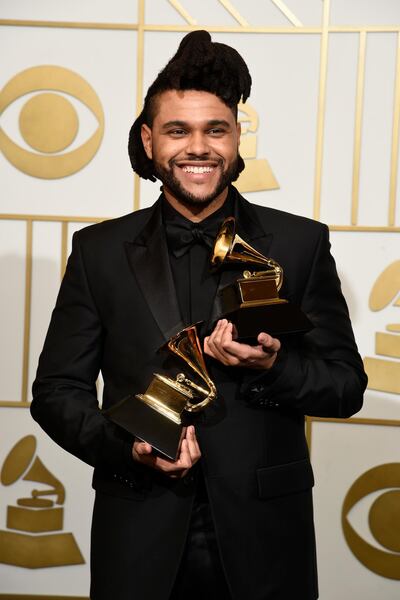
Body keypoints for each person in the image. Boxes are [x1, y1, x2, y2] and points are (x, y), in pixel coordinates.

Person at [31, 30, 367, 600]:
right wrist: (129, 448)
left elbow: (345, 387)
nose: (198, 147)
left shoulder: (299, 243)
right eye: (177, 130)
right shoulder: (99, 251)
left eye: (216, 130)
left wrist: (273, 369)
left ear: (237, 138)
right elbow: (57, 391)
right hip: (137, 529)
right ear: (149, 139)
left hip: (267, 539)